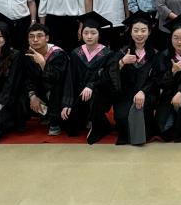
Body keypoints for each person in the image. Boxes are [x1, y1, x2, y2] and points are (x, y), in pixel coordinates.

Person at [52, 11, 114, 141]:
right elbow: (70, 79)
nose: (89, 36)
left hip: (98, 94)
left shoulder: (107, 54)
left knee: (95, 95)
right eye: (86, 33)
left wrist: (91, 86)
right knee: (69, 125)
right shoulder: (76, 53)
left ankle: (95, 120)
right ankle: (86, 117)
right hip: (79, 96)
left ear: (99, 34)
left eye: (93, 33)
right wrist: (67, 104)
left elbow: (107, 78)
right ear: (81, 34)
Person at [106, 13, 160, 146]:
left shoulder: (154, 54)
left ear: (149, 32)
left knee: (143, 121)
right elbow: (109, 72)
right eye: (136, 30)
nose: (139, 34)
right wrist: (121, 63)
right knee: (122, 117)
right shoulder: (123, 52)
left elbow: (156, 78)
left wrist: (143, 92)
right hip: (125, 94)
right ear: (130, 32)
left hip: (146, 94)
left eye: (143, 30)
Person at [23, 22, 68, 130]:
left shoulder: (58, 54)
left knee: (55, 89)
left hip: (59, 92)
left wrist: (43, 64)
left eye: (39, 36)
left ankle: (54, 121)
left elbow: (58, 79)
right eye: (31, 36)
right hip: (41, 91)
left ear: (47, 38)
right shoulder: (28, 54)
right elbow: (28, 78)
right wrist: (32, 96)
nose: (35, 39)